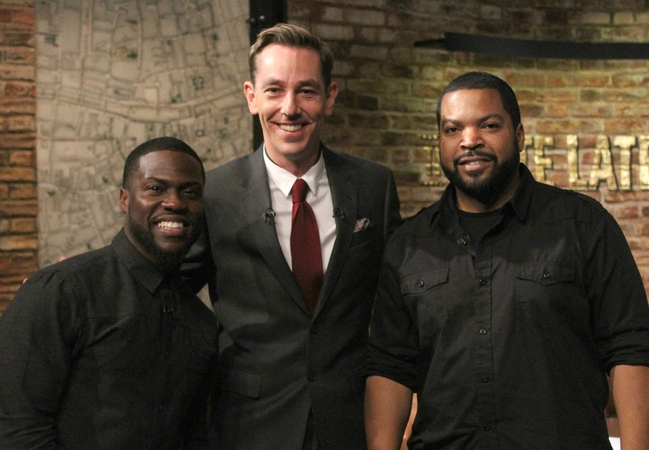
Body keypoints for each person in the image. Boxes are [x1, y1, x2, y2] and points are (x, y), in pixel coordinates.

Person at [364, 72, 649, 450]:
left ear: (518, 135)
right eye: (452, 129)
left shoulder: (583, 225)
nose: (469, 141)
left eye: (488, 125)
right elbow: (390, 367)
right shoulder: (408, 245)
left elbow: (629, 348)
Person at [181, 23, 402, 449]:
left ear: (330, 96)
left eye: (306, 91)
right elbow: (168, 289)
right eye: (274, 90)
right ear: (251, 97)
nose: (290, 107)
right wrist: (83, 288)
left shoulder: (374, 187)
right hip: (250, 425)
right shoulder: (216, 193)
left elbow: (401, 297)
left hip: (352, 422)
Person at [0, 137, 217, 449]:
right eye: (155, 188)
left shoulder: (201, 323)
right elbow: (16, 430)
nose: (175, 202)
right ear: (124, 200)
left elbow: (195, 437)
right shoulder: (61, 290)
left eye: (190, 192)